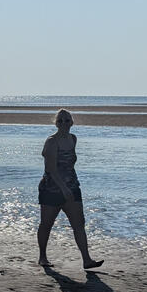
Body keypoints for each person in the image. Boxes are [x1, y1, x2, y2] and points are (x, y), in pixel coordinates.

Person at [37, 109, 103, 269]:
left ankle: (87, 260)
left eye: (67, 120)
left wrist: (69, 188)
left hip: (72, 186)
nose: (64, 123)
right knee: (46, 224)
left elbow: (69, 164)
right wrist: (63, 188)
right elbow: (51, 169)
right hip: (51, 189)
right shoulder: (52, 141)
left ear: (72, 122)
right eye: (60, 121)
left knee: (79, 223)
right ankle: (43, 257)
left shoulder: (73, 139)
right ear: (56, 123)